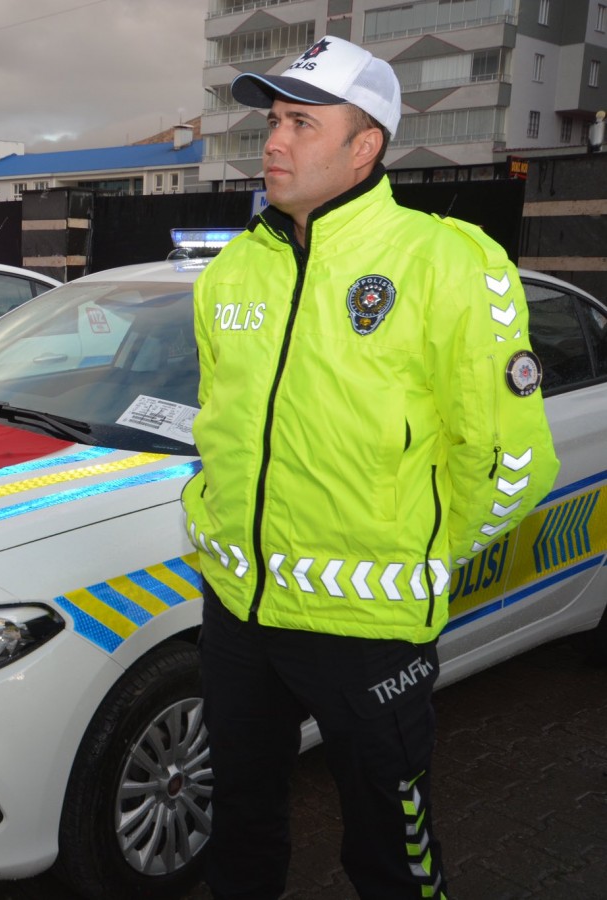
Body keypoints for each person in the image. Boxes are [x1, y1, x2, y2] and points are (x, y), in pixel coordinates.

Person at [181, 37, 560, 900]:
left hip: (366, 626)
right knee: (238, 827)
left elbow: (510, 462)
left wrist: (410, 551)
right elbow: (222, 426)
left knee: (387, 849)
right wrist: (208, 514)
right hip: (238, 608)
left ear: (365, 146)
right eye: (272, 119)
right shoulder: (231, 270)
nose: (273, 141)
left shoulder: (444, 262)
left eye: (301, 124)